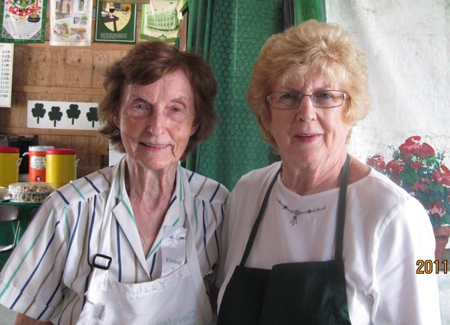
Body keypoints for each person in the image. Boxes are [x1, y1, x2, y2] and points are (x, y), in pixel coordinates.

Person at [216, 20, 440, 324]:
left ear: (350, 111)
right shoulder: (246, 193)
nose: (306, 113)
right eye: (289, 96)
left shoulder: (394, 217)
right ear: (266, 114)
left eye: (325, 96)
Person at [0, 41, 228, 324]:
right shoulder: (68, 210)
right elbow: (31, 318)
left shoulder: (218, 207)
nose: (157, 127)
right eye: (141, 106)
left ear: (195, 122)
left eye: (176, 109)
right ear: (117, 115)